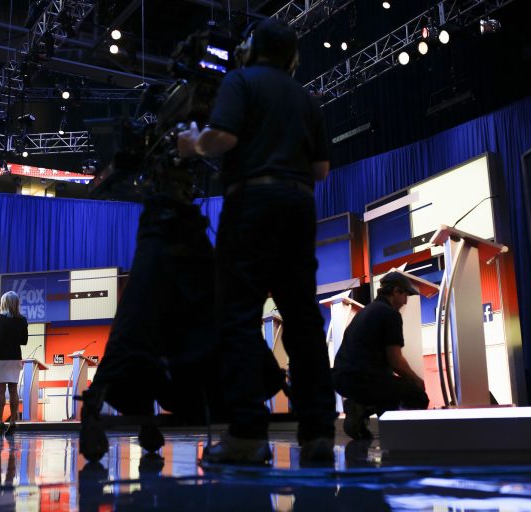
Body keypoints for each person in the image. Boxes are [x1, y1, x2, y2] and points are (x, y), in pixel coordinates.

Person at [177, 18, 337, 464]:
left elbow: (223, 137)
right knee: (303, 319)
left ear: (250, 49)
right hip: (299, 204)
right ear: (291, 57)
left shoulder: (240, 81)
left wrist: (193, 144)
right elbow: (322, 169)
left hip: (252, 203)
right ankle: (319, 433)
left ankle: (247, 435)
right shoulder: (307, 98)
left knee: (240, 317)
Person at [332, 272, 430, 440]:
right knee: (415, 394)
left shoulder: (366, 312)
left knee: (390, 388)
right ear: (396, 291)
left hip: (342, 379)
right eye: (405, 295)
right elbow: (395, 361)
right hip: (364, 380)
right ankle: (403, 438)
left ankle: (361, 409)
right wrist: (417, 380)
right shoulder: (390, 314)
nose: (406, 301)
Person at [0, 291, 28, 436]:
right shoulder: (22, 319)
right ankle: (13, 421)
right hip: (14, 355)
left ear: (4, 303)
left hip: (1, 356)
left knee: (0, 391)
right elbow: (24, 341)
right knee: (13, 390)